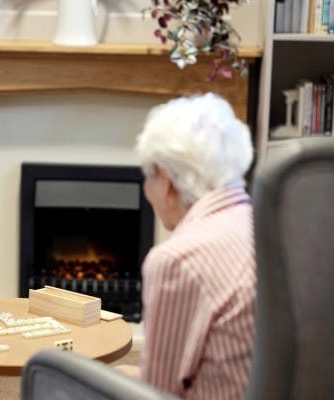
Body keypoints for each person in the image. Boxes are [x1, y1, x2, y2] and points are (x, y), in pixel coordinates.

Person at [115, 93, 256, 399]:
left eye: (146, 178)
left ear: (165, 180)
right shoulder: (262, 225)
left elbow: (157, 394)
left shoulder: (178, 260)